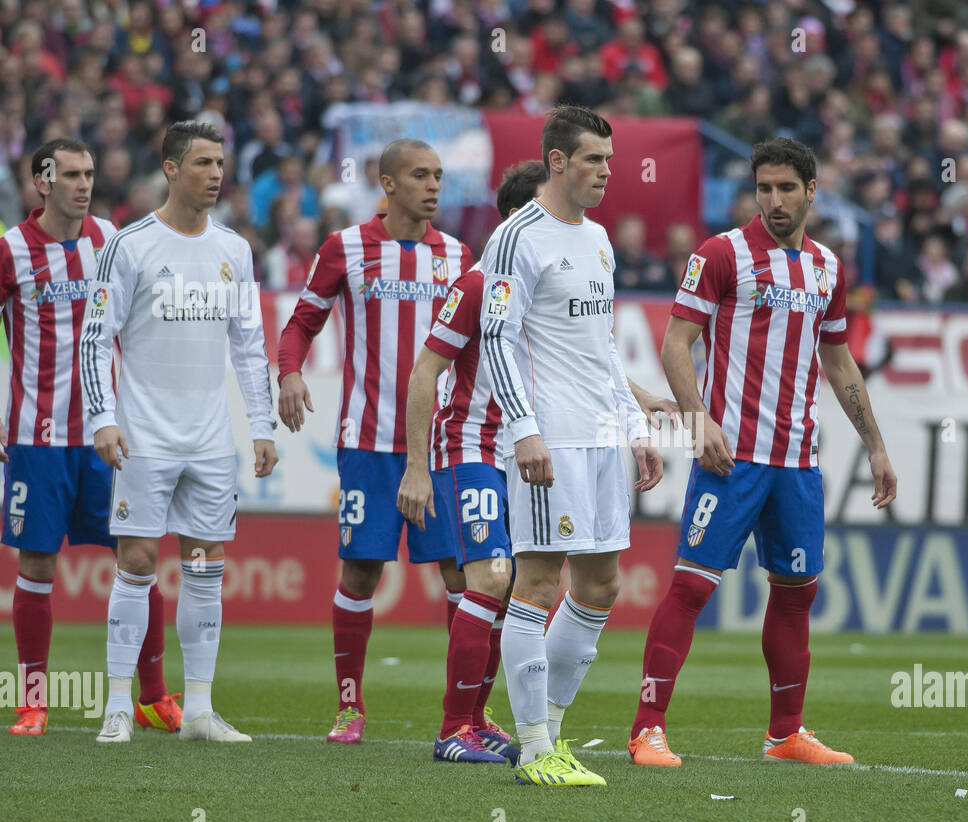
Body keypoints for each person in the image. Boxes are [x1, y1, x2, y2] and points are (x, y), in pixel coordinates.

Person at [398, 160, 678, 765]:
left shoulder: (575, 253)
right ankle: (459, 727)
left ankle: (492, 719)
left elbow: (578, 354)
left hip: (541, 442)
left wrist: (637, 401)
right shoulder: (481, 281)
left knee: (537, 584)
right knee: (499, 579)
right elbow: (426, 370)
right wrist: (415, 465)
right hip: (478, 441)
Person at [628, 138, 898, 767]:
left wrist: (876, 446)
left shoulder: (828, 268)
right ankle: (647, 730)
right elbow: (675, 344)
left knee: (797, 591)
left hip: (797, 462)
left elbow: (838, 360)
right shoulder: (722, 254)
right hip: (732, 457)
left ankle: (785, 734)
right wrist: (699, 424)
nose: (774, 201)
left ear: (812, 189)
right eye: (763, 188)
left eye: (785, 189)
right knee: (692, 589)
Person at [477, 105, 664, 786]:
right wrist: (523, 428)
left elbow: (603, 346)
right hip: (547, 434)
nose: (607, 173)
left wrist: (636, 427)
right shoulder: (515, 238)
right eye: (593, 160)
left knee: (601, 581)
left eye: (611, 161)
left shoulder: (601, 240)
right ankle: (531, 748)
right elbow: (497, 337)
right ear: (557, 161)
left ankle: (551, 731)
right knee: (536, 579)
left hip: (601, 434)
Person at [80, 120, 279, 743]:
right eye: (202, 163)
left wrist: (262, 425)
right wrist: (103, 418)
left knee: (204, 566)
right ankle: (117, 703)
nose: (216, 173)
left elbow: (249, 346)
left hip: (211, 441)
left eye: (220, 162)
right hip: (143, 436)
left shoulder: (235, 249)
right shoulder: (131, 245)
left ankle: (197, 710)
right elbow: (95, 339)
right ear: (170, 169)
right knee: (137, 562)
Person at [276, 139, 472, 746]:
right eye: (420, 175)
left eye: (439, 176)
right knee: (361, 572)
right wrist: (288, 372)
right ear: (386, 184)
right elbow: (300, 324)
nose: (433, 186)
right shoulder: (347, 248)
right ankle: (349, 706)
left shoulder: (460, 256)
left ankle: (463, 712)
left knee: (461, 576)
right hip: (368, 442)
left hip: (442, 447)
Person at [0, 137, 177, 736]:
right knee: (38, 566)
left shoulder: (111, 240)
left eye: (90, 173)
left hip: (109, 435)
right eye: (72, 175)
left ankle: (151, 696)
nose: (84, 184)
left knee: (140, 558)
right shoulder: (12, 252)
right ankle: (31, 701)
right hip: (37, 437)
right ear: (42, 182)